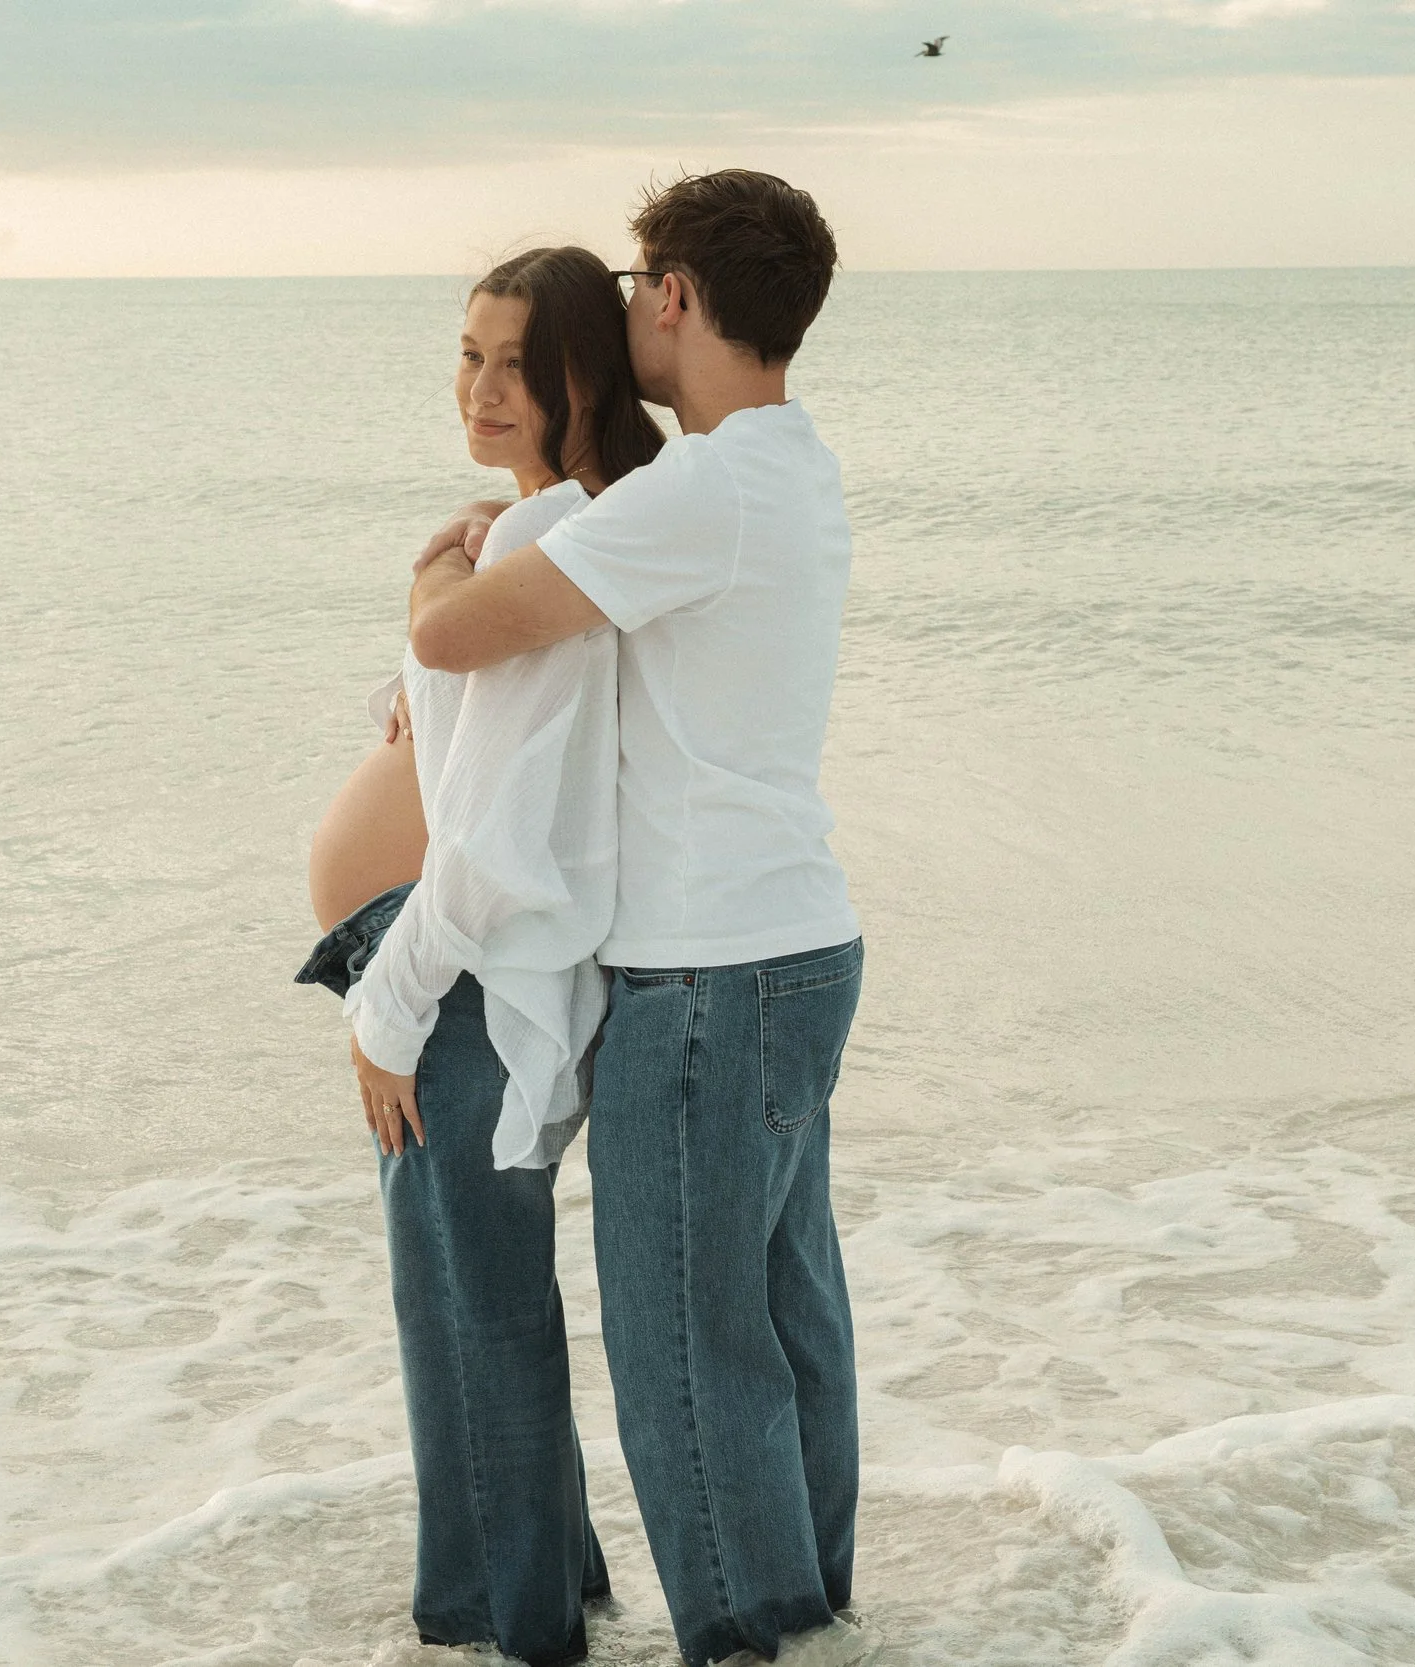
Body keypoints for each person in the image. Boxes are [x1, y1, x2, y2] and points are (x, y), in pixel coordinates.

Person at [407, 170, 865, 1667]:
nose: (624, 306)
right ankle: (816, 1616)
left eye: (636, 281)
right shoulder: (790, 468)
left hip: (708, 973)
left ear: (675, 298)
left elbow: (460, 633)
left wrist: (445, 555)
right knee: (785, 1323)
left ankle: (751, 1637)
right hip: (796, 944)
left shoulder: (704, 488)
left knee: (684, 1346)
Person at [297, 245, 664, 1667]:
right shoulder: (540, 540)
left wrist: (388, 1008)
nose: (485, 387)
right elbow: (481, 761)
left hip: (449, 986)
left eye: (519, 362)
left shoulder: (538, 550)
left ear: (583, 375)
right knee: (477, 1306)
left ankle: (514, 1634)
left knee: (471, 1319)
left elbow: (498, 840)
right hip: (464, 981)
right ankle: (545, 1599)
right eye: (467, 354)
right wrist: (418, 633)